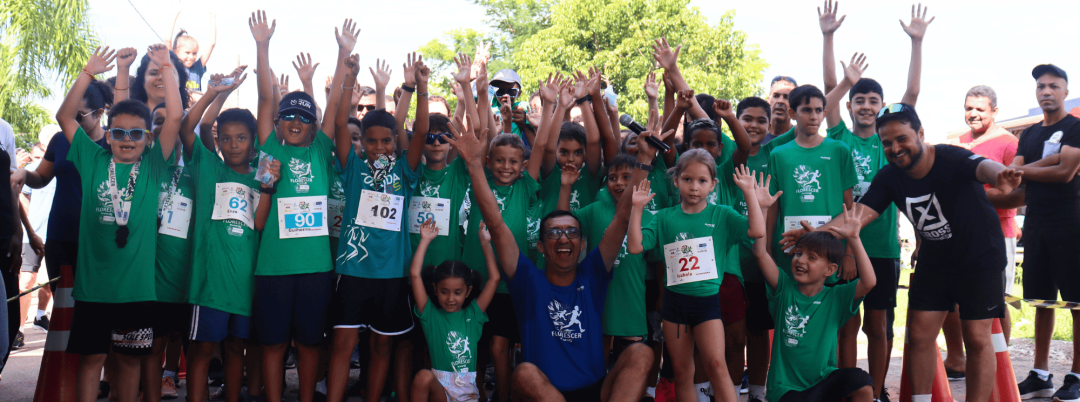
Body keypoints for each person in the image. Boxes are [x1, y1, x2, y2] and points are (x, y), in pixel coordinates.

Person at [782, 103, 1020, 402]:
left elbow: (983, 166)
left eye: (902, 139)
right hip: (935, 260)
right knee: (919, 336)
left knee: (976, 338)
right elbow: (857, 215)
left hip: (979, 256)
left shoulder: (949, 156)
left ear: (920, 133)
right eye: (887, 143)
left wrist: (1002, 175)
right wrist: (815, 234)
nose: (895, 148)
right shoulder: (889, 177)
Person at [450, 98, 654, 402]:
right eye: (554, 233)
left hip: (594, 390)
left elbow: (623, 217)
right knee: (524, 373)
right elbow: (494, 221)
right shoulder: (527, 280)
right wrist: (473, 165)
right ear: (542, 247)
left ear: (583, 244)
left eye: (572, 232)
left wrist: (645, 160)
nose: (563, 239)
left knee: (640, 353)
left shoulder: (594, 272)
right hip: (548, 394)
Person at [58, 44, 182, 402]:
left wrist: (166, 68)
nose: (127, 140)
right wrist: (87, 73)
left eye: (136, 134)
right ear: (107, 134)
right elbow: (66, 117)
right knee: (91, 360)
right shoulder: (93, 159)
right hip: (93, 288)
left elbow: (174, 117)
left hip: (137, 291)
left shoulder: (155, 165)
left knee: (129, 362)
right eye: (119, 133)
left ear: (149, 138)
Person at [819, 3, 931, 397]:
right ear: (849, 106)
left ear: (881, 109)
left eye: (872, 101)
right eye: (859, 100)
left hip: (883, 248)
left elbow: (911, 95)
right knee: (847, 324)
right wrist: (828, 38)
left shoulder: (891, 144)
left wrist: (916, 42)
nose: (865, 106)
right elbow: (829, 93)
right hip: (844, 248)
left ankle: (878, 389)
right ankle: (849, 389)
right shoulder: (840, 139)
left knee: (879, 326)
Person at [248, 11, 348, 402]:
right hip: (273, 267)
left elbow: (335, 98)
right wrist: (262, 45)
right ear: (277, 122)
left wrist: (342, 55)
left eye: (303, 117)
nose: (294, 120)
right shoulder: (269, 147)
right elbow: (263, 95)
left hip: (315, 268)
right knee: (273, 344)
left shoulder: (321, 148)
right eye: (288, 114)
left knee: (309, 343)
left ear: (313, 125)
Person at [325, 49, 430, 402]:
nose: (380, 146)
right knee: (343, 342)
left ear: (395, 141)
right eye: (372, 140)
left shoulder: (404, 171)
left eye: (387, 140)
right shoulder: (353, 168)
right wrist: (349, 78)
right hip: (354, 270)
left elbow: (421, 132)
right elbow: (341, 124)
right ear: (363, 142)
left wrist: (423, 89)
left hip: (392, 274)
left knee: (383, 345)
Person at [179, 68, 263, 402]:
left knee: (236, 350)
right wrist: (215, 92)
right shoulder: (208, 166)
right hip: (209, 283)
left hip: (246, 283)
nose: (232, 144)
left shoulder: (262, 177)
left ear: (253, 141)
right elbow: (190, 127)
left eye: (240, 137)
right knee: (202, 351)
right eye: (225, 137)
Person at [753, 202, 876, 402]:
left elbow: (869, 281)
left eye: (812, 257)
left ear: (829, 270)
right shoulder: (783, 289)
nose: (801, 260)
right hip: (785, 391)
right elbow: (760, 253)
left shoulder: (836, 297)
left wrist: (854, 238)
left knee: (861, 381)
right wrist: (763, 209)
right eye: (799, 253)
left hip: (822, 382)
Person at [1010, 64, 1080, 402]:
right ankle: (1039, 374)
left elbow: (1066, 171)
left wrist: (1021, 170)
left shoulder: (1076, 128)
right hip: (1036, 225)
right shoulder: (1029, 134)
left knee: (1078, 303)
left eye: (1054, 86)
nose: (1046, 91)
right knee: (1041, 300)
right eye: (1041, 86)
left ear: (1066, 91)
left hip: (1071, 223)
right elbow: (1016, 180)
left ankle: (1077, 376)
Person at [946, 85, 1019, 380]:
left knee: (996, 300)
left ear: (995, 112)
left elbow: (1016, 193)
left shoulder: (1008, 142)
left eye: (980, 109)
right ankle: (964, 360)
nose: (973, 114)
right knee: (960, 298)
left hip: (998, 232)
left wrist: (975, 199)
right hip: (960, 233)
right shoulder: (958, 141)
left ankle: (1001, 361)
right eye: (968, 108)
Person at [408, 218, 499, 402]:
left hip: (468, 394)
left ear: (468, 291)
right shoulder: (430, 315)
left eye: (457, 292)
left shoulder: (473, 315)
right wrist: (425, 240)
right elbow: (415, 275)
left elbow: (494, 279)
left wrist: (485, 243)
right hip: (440, 391)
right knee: (423, 377)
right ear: (435, 289)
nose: (450, 299)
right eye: (444, 292)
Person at [167, 6, 217, 92]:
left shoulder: (197, 68)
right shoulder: (173, 65)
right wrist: (175, 14)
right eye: (187, 52)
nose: (191, 57)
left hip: (196, 105)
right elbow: (167, 40)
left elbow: (211, 43)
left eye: (194, 53)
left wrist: (213, 17)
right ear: (176, 52)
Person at [765, 76, 797, 143]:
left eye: (786, 97)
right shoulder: (753, 136)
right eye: (776, 96)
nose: (780, 101)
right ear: (768, 100)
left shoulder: (802, 139)